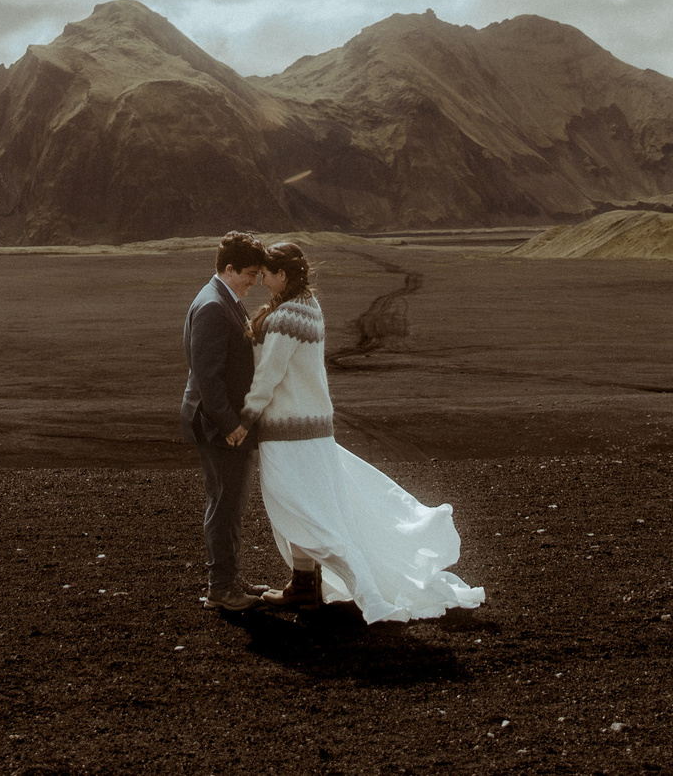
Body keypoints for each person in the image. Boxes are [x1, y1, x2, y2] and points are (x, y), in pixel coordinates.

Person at [241, 241, 485, 621]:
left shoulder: (288, 316)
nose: (260, 281)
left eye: (265, 275)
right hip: (315, 431)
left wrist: (246, 417)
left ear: (282, 275)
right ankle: (303, 585)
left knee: (295, 506)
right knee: (310, 505)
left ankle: (334, 584)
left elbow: (270, 375)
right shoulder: (310, 307)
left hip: (288, 431)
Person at [181, 231, 278, 610]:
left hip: (220, 422)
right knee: (225, 504)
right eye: (250, 273)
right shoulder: (212, 306)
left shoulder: (224, 299)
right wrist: (230, 425)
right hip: (217, 426)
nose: (255, 281)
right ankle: (220, 588)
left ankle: (230, 578)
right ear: (230, 268)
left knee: (230, 502)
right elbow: (207, 377)